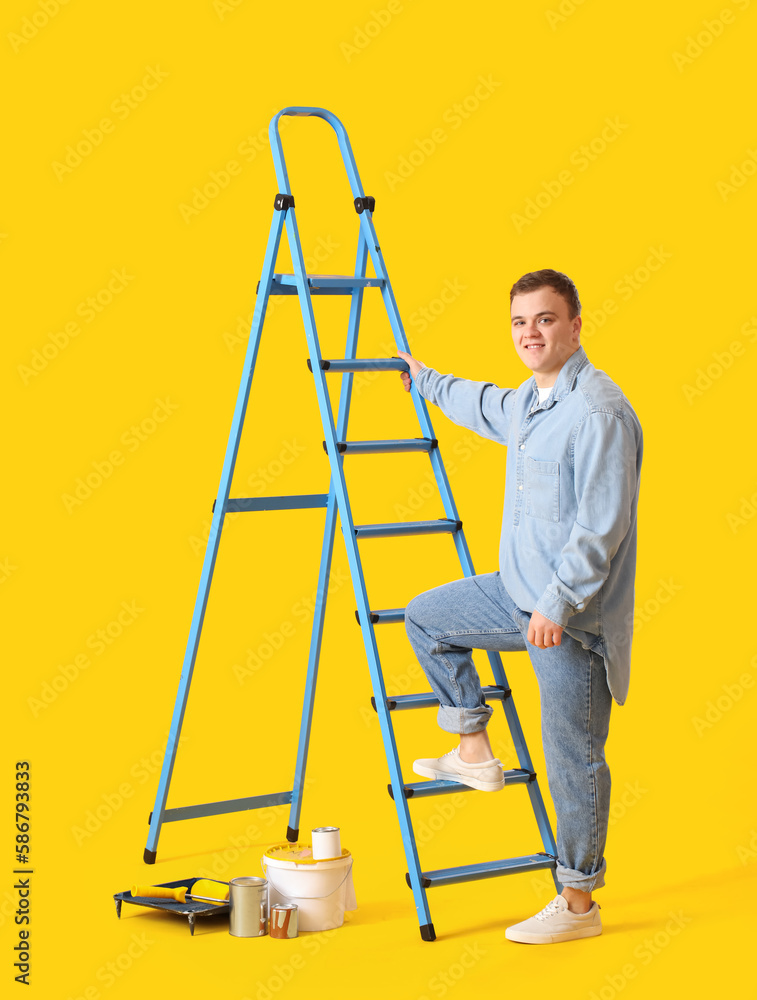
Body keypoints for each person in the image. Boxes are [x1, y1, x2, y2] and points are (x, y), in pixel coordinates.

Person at [396, 268, 643, 944]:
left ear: (574, 325)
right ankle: (472, 746)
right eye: (519, 323)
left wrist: (558, 605)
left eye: (543, 320)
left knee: (572, 758)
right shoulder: (528, 403)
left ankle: (578, 905)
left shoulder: (597, 411)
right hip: (514, 592)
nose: (530, 333)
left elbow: (601, 527)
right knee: (426, 618)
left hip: (571, 621)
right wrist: (424, 378)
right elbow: (478, 403)